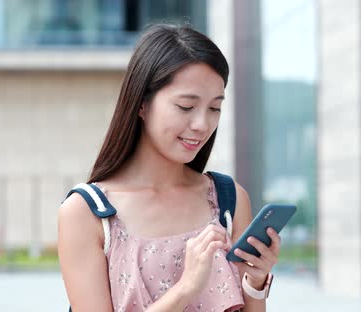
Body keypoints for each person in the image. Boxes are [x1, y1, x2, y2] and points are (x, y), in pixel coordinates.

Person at [58, 24, 281, 312]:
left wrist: (256, 280)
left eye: (214, 108)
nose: (202, 125)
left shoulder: (228, 200)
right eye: (186, 107)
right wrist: (186, 288)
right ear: (142, 104)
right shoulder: (86, 213)